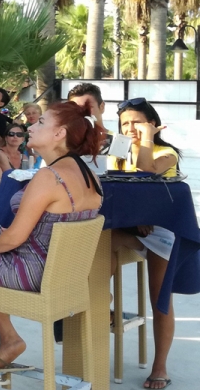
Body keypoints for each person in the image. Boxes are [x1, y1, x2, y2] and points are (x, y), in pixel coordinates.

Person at [0, 102, 104, 384]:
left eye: (41, 122)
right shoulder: (90, 176)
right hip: (65, 276)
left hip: (33, 271)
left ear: (59, 133)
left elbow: (12, 240)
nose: (30, 127)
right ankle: (9, 339)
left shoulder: (49, 177)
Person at [108, 98, 180, 390]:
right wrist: (135, 216)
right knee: (94, 241)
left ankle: (160, 366)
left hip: (161, 230)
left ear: (152, 124)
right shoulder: (119, 151)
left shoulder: (167, 153)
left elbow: (147, 173)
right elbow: (112, 187)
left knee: (160, 299)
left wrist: (147, 139)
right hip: (129, 226)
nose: (130, 128)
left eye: (137, 122)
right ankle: (104, 304)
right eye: (125, 123)